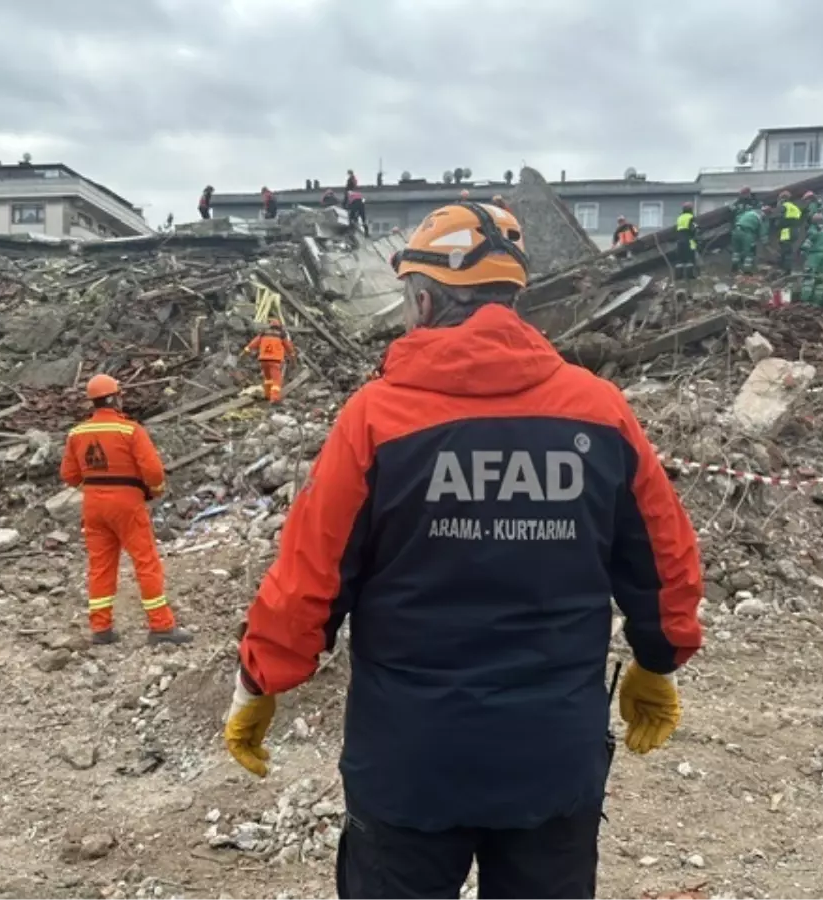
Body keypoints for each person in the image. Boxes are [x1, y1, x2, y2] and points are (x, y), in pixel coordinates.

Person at [224, 201, 704, 899]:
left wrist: (258, 681)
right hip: (551, 760)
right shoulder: (598, 412)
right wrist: (660, 660)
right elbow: (664, 560)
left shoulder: (376, 420)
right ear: (514, 299)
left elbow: (310, 581)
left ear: (423, 299)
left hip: (410, 765)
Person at [59, 374, 192, 646]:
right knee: (145, 561)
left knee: (100, 566)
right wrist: (154, 490)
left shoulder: (77, 434)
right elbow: (153, 471)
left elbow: (69, 474)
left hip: (93, 505)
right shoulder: (130, 430)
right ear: (115, 398)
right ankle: (161, 626)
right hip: (127, 502)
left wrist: (93, 486)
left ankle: (101, 628)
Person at [241, 319, 296, 403]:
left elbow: (253, 343)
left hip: (263, 360)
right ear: (279, 327)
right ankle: (274, 398)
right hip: (275, 360)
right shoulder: (281, 335)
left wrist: (245, 351)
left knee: (268, 379)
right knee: (277, 380)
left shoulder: (263, 333)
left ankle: (267, 395)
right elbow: (288, 347)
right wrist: (292, 357)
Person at [800, 212, 823, 307]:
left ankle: (804, 301)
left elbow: (809, 242)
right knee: (820, 280)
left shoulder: (813, 229)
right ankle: (817, 302)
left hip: (814, 255)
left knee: (808, 277)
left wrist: (803, 250)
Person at [730, 205, 769, 274]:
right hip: (747, 233)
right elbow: (762, 232)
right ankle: (747, 271)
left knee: (736, 251)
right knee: (750, 252)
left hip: (736, 231)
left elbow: (737, 217)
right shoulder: (760, 218)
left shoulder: (748, 213)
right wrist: (765, 242)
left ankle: (734, 268)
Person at [775, 190, 803, 274]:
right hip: (795, 231)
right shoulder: (794, 207)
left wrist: (777, 225)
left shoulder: (783, 206)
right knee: (789, 249)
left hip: (786, 231)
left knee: (785, 250)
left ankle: (785, 270)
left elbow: (779, 219)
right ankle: (788, 268)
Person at [674, 201, 699, 280]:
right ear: (691, 209)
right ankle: (690, 276)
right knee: (690, 259)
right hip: (688, 240)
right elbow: (693, 229)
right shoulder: (691, 217)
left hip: (679, 241)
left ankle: (678, 276)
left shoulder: (679, 218)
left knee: (680, 260)